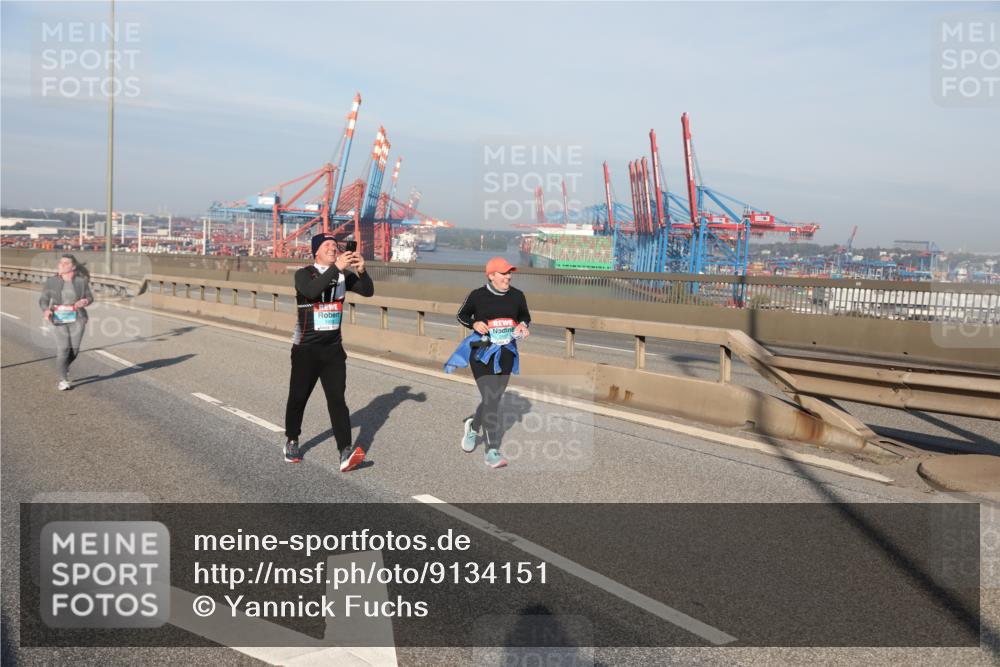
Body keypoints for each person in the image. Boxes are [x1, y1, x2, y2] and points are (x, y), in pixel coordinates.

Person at [283, 234, 374, 470]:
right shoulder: (304, 274)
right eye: (328, 246)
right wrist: (337, 268)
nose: (334, 248)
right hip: (306, 349)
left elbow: (368, 291)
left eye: (335, 245)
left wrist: (362, 271)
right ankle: (292, 440)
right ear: (317, 252)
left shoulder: (342, 274)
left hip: (333, 350)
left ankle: (345, 451)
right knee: (298, 397)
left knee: (337, 400)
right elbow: (312, 292)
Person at [450, 257, 530, 469]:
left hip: (506, 354)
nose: (508, 277)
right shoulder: (478, 295)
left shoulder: (517, 296)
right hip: (481, 354)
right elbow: (461, 315)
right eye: (503, 274)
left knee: (492, 399)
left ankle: (474, 426)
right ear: (492, 275)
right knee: (492, 399)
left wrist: (523, 325)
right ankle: (492, 451)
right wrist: (474, 323)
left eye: (509, 273)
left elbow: (525, 316)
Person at [39, 254, 94, 391]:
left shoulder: (81, 281)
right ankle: (63, 380)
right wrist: (46, 310)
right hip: (59, 318)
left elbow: (89, 297)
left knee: (74, 350)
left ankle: (64, 365)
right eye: (60, 263)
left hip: (78, 318)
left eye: (65, 263)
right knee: (63, 349)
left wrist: (85, 301)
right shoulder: (52, 281)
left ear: (73, 267)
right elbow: (43, 299)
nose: (61, 265)